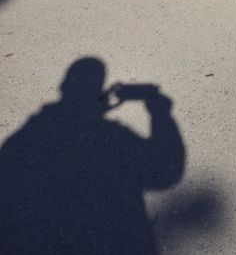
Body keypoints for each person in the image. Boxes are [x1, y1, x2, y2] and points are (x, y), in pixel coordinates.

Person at [0, 57, 185, 254]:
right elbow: (166, 171)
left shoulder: (23, 141)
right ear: (99, 93)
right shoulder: (113, 139)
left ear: (63, 88)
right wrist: (160, 114)